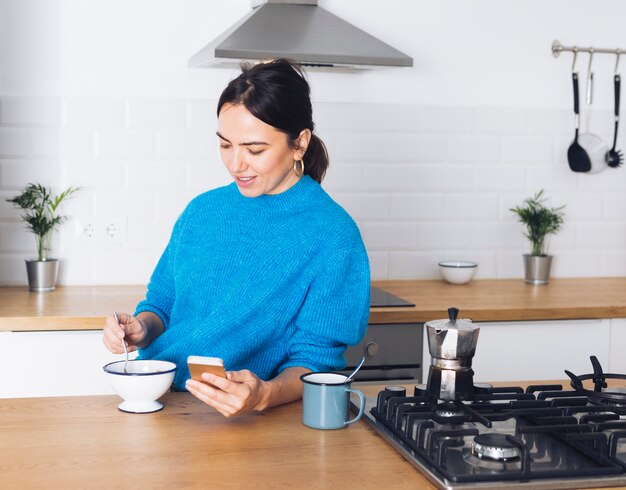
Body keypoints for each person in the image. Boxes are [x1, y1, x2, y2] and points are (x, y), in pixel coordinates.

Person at [102, 58, 370, 417]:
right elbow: (163, 304)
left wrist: (264, 394)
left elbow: (315, 362)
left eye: (255, 150)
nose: (236, 164)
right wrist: (139, 328)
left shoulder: (333, 235)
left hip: (250, 419)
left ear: (300, 143)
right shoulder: (202, 211)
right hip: (159, 402)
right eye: (225, 145)